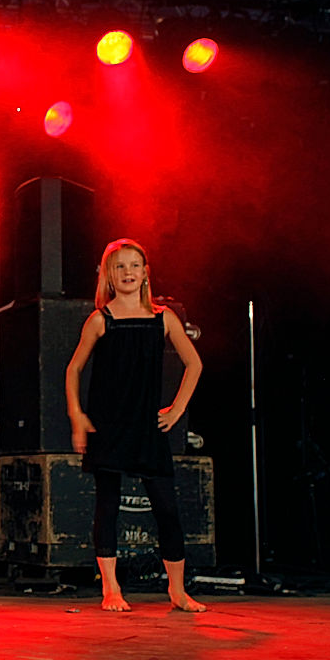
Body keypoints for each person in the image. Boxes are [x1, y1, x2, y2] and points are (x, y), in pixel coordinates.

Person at [65, 238, 206, 613]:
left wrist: (176, 410)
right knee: (107, 506)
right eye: (120, 267)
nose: (128, 272)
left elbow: (195, 364)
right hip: (109, 427)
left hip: (147, 428)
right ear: (109, 276)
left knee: (167, 509)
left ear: (145, 273)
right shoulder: (100, 320)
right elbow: (74, 368)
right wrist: (78, 416)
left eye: (134, 266)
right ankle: (111, 589)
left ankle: (177, 591)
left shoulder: (163, 318)